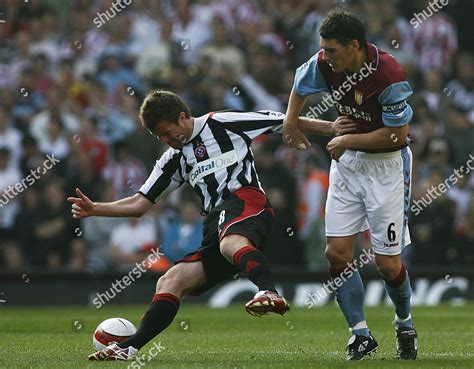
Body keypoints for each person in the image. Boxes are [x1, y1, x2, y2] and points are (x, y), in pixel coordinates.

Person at [68, 90, 355, 361]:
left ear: (182, 116)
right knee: (171, 280)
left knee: (229, 242)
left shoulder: (222, 123)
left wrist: (331, 129)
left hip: (246, 202)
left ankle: (269, 291)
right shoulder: (174, 158)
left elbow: (283, 121)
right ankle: (128, 349)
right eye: (160, 136)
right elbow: (141, 203)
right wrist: (96, 209)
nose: (167, 140)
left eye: (168, 132)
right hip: (216, 223)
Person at [283, 9, 418, 361]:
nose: (325, 56)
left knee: (388, 266)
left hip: (386, 167)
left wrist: (347, 141)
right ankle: (359, 334)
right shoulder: (325, 63)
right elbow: (299, 84)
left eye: (331, 50)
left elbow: (397, 136)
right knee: (336, 253)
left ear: (354, 46)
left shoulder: (388, 75)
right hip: (347, 166)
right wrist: (290, 121)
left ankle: (404, 323)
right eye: (323, 49)